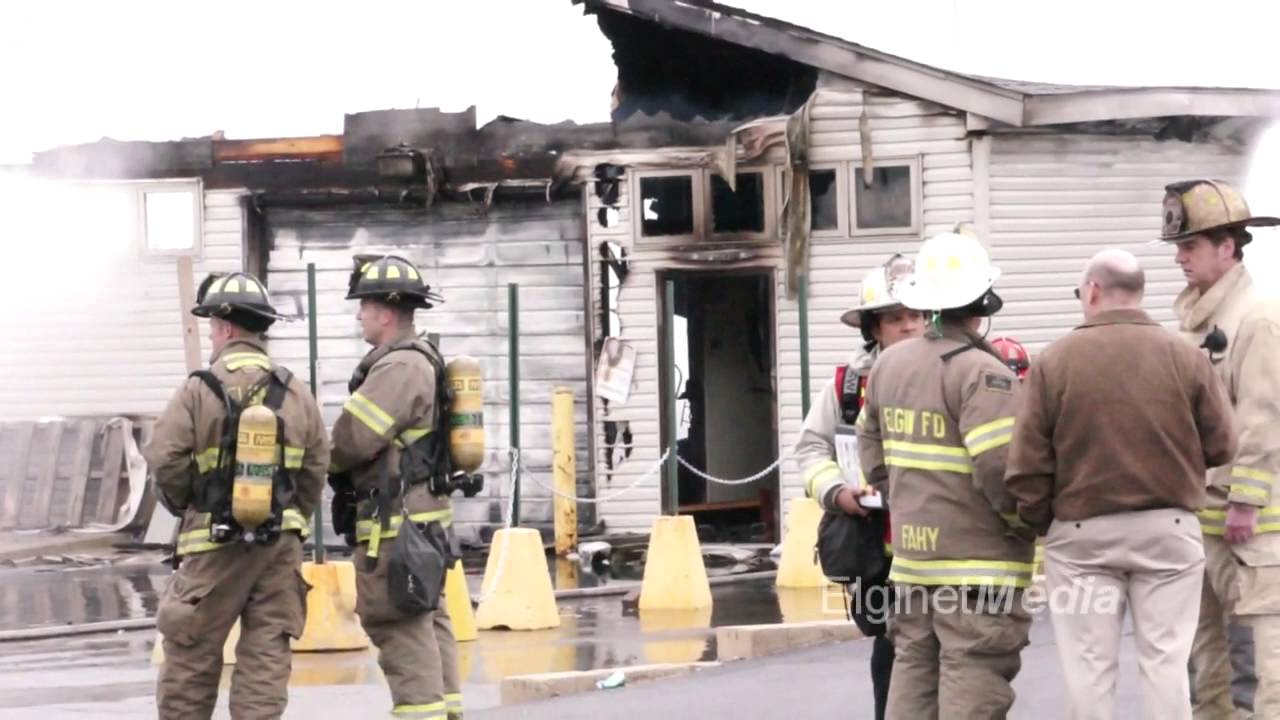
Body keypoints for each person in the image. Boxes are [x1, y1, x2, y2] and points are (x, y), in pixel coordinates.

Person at [1005, 249, 1236, 719]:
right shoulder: (1185, 357)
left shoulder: (1054, 361)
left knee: (1089, 670)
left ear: (1092, 290)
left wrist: (1042, 521)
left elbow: (1027, 463)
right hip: (1170, 531)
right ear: (1140, 293)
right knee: (1167, 663)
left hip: (1082, 535)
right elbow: (1225, 444)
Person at [857, 231, 1034, 719]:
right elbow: (1001, 469)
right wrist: (1024, 524)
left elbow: (871, 456)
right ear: (982, 301)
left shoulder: (889, 365)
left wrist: (906, 497)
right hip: (979, 568)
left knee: (912, 676)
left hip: (912, 565)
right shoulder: (983, 372)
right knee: (973, 680)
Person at [144, 271, 328, 719]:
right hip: (278, 548)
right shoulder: (297, 392)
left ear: (225, 328)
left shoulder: (199, 388)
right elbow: (317, 465)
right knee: (266, 660)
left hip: (213, 547)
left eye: (211, 327)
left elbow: (165, 457)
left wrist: (194, 505)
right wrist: (288, 516)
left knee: (191, 656)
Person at [1161, 179, 1280, 719]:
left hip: (1253, 528)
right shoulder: (1197, 322)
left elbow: (1263, 418)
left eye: (1190, 246)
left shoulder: (1257, 317)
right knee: (1204, 653)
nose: (1181, 258)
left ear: (1227, 247)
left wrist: (1245, 503)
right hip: (1201, 517)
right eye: (1180, 247)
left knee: (1261, 655)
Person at [327, 254, 463, 720]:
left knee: (401, 625)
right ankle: (447, 712)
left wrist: (318, 455)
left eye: (362, 306)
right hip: (420, 521)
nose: (358, 315)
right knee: (425, 620)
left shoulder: (399, 368)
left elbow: (351, 440)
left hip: (396, 524)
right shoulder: (418, 360)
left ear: (385, 311)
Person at [795, 253, 923, 720]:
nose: (909, 327)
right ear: (873, 329)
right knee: (890, 652)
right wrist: (836, 492)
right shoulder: (848, 386)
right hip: (879, 551)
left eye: (918, 315)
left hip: (943, 547)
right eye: (895, 318)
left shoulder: (954, 373)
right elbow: (811, 451)